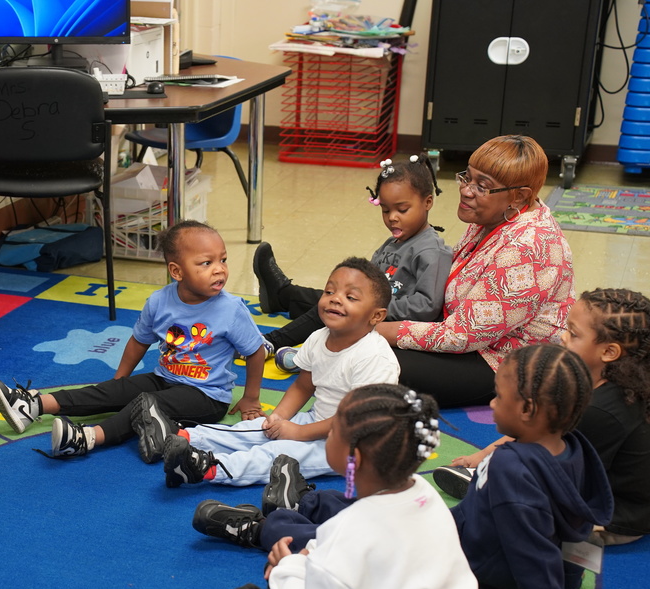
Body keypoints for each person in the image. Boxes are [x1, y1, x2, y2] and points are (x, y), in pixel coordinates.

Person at [194, 384, 477, 589]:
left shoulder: (357, 529)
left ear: (354, 457)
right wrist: (311, 559)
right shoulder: (425, 496)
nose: (327, 434)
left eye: (334, 430)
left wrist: (286, 570)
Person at [0, 220, 266, 461]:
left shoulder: (231, 309)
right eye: (206, 263)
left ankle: (86, 438)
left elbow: (255, 351)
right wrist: (119, 382)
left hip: (206, 396)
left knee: (145, 403)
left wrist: (250, 398)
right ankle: (33, 405)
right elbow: (138, 341)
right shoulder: (159, 301)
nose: (219, 269)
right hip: (165, 377)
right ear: (176, 271)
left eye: (223, 260)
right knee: (115, 391)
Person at [135, 257, 400, 487]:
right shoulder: (319, 337)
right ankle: (180, 437)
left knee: (279, 452)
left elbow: (353, 421)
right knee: (255, 429)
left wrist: (297, 433)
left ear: (376, 316)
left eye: (350, 297)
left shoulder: (375, 357)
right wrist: (279, 418)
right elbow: (303, 386)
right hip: (318, 421)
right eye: (329, 291)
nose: (335, 299)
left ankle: (208, 468)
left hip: (355, 445)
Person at [371, 135, 574, 407]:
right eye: (467, 177)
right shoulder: (495, 214)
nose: (466, 191)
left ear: (519, 195)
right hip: (468, 339)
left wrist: (378, 329)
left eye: (482, 186)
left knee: (369, 355)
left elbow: (461, 335)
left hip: (505, 362)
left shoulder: (527, 247)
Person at [436, 288, 650, 545]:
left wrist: (503, 479)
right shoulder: (599, 383)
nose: (562, 336)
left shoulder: (601, 412)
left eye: (573, 333)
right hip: (595, 487)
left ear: (609, 352)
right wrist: (481, 456)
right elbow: (540, 432)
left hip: (611, 517)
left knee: (505, 512)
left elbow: (561, 474)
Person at [452, 344, 613, 589]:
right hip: (482, 546)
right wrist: (569, 578)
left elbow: (533, 553)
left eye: (498, 396)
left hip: (471, 574)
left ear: (527, 409)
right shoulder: (571, 447)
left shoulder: (511, 468)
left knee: (369, 535)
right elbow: (574, 516)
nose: (492, 404)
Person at [254, 155, 451, 367]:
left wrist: (373, 307)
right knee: (331, 302)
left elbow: (427, 305)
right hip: (373, 311)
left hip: (390, 323)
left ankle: (273, 342)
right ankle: (298, 338)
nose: (392, 217)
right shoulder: (394, 241)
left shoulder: (432, 250)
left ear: (428, 202)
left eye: (402, 210)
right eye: (385, 210)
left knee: (333, 309)